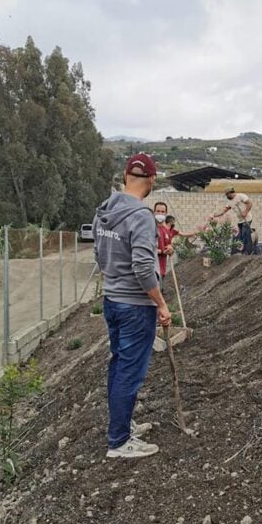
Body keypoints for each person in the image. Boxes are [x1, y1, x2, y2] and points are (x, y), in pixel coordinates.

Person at [93, 153, 171, 460]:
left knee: (118, 364)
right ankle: (119, 441)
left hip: (112, 300)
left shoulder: (103, 212)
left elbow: (99, 256)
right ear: (151, 180)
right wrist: (161, 304)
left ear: (126, 176)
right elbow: (142, 267)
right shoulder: (140, 216)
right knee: (129, 370)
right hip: (135, 306)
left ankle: (122, 425)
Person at [211, 187, 254, 254]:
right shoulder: (230, 202)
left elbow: (250, 203)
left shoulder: (240, 196)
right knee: (238, 237)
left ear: (230, 193)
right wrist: (214, 215)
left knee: (245, 235)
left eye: (227, 195)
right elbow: (223, 211)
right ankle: (238, 252)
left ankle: (247, 253)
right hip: (240, 221)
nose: (226, 196)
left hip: (247, 219)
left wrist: (245, 212)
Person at [154, 201, 174, 281]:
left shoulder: (166, 231)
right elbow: (146, 249)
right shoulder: (150, 228)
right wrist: (162, 251)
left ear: (166, 214)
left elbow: (169, 246)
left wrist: (171, 250)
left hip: (161, 271)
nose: (160, 214)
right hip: (151, 271)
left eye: (162, 212)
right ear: (154, 212)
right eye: (158, 211)